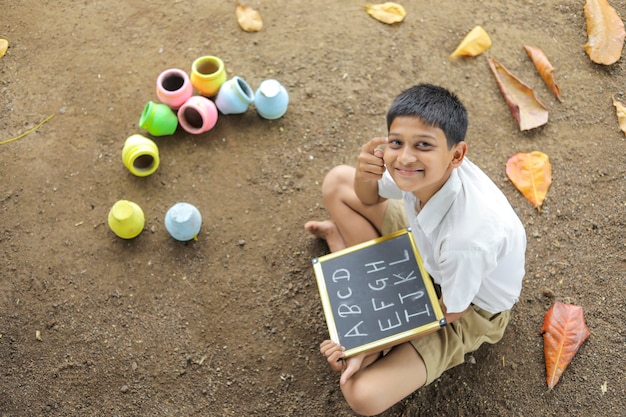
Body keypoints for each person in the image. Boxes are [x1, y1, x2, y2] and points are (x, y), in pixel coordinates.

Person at [305, 83, 526, 416]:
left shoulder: (468, 239)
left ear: (456, 155)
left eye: (423, 145)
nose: (404, 157)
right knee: (338, 180)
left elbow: (450, 310)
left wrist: (371, 344)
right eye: (396, 142)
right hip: (425, 249)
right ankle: (347, 250)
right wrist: (366, 173)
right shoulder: (417, 171)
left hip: (468, 308)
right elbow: (367, 196)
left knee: (361, 394)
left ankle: (345, 250)